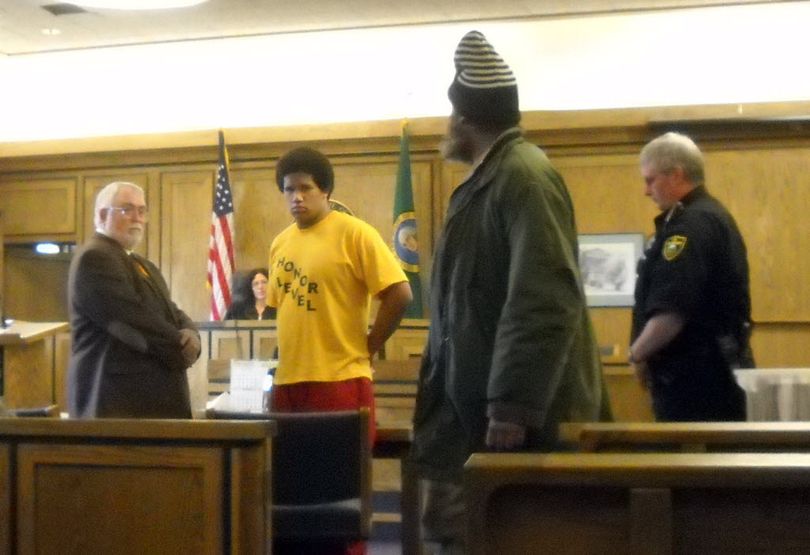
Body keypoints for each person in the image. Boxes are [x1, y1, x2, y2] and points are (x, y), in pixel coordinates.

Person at [410, 30, 609, 554]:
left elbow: (543, 297)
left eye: (450, 112)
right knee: (456, 536)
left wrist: (512, 406)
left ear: (466, 117)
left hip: (506, 426)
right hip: (466, 422)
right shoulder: (487, 180)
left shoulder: (523, 176)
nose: (446, 123)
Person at [267, 147, 413, 554]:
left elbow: (400, 293)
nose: (296, 197)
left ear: (325, 190)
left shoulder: (354, 233)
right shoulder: (280, 244)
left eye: (305, 188)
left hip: (340, 382)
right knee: (293, 502)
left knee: (339, 504)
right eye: (288, 189)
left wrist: (369, 346)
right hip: (289, 385)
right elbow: (285, 310)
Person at [630, 132, 753, 421]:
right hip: (712, 375)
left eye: (650, 180)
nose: (647, 191)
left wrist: (637, 354)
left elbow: (671, 312)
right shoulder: (710, 216)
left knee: (694, 462)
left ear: (676, 175)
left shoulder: (690, 227)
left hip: (696, 385)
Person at [67, 181, 201, 418]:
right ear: (101, 214)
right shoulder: (95, 257)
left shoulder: (142, 264)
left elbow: (171, 312)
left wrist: (192, 334)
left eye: (142, 210)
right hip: (118, 405)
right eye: (127, 209)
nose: (137, 217)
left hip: (146, 404)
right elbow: (130, 321)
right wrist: (180, 349)